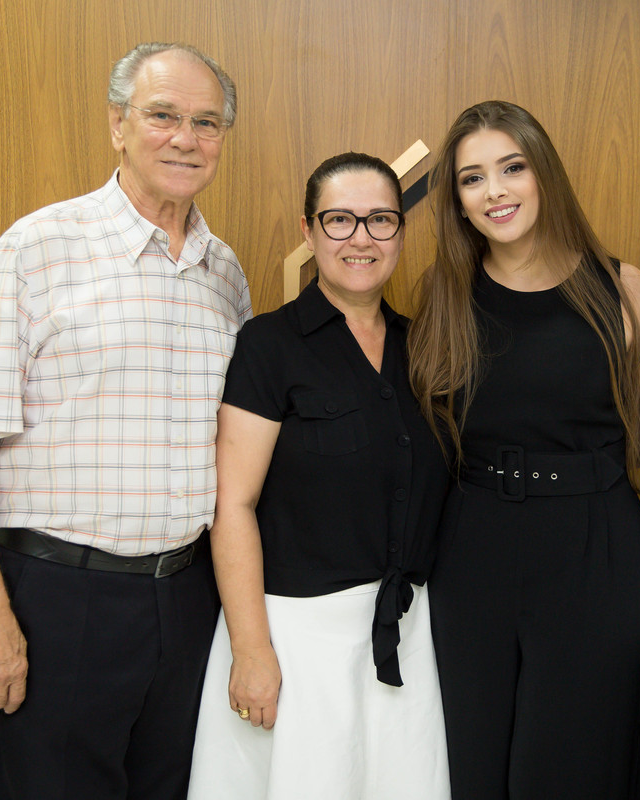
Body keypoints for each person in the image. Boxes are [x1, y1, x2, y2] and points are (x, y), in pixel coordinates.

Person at [0, 42, 250, 799]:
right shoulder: (39, 248)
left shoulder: (225, 273)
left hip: (187, 600)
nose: (186, 138)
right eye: (163, 115)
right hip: (61, 603)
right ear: (117, 125)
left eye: (206, 123)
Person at [186, 152, 451, 800]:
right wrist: (252, 651)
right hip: (295, 641)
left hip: (404, 636)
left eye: (380, 219)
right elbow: (233, 504)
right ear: (309, 231)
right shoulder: (269, 346)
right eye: (340, 220)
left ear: (400, 232)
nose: (361, 238)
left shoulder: (424, 348)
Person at [408, 100, 640, 799]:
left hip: (594, 548)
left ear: (543, 172)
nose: (495, 191)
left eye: (512, 167)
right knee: (474, 762)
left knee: (572, 766)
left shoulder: (622, 287)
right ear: (457, 199)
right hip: (475, 547)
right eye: (472, 178)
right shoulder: (444, 292)